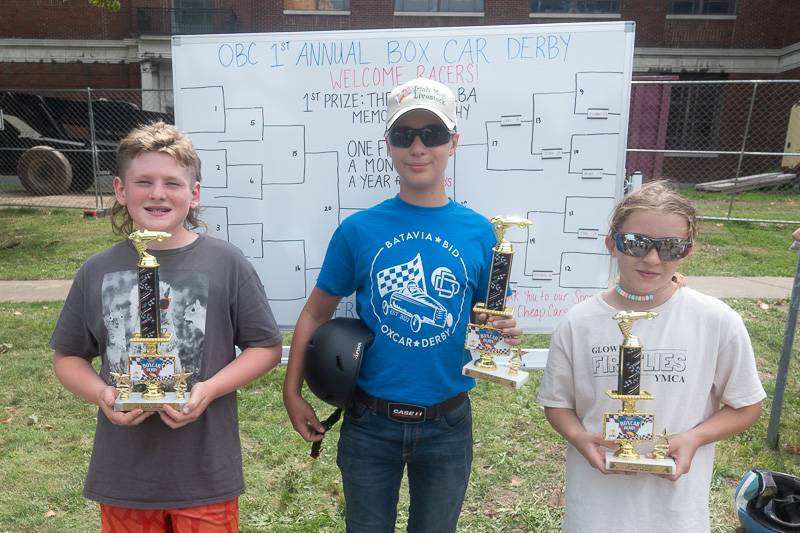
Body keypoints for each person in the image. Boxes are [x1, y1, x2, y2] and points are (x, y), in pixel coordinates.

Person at [283, 77, 522, 533]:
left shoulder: (481, 233)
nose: (417, 147)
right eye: (403, 135)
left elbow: (489, 318)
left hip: (448, 423)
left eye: (431, 135)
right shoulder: (359, 230)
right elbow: (316, 311)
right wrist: (291, 392)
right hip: (371, 422)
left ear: (453, 143)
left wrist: (504, 331)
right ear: (389, 146)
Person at [51, 121, 283, 531]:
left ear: (194, 195)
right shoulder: (96, 271)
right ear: (121, 191)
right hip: (125, 475)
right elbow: (68, 355)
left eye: (172, 183)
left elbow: (264, 347)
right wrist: (104, 393)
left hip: (205, 473)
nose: (158, 193)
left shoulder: (226, 264)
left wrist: (208, 390)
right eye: (144, 182)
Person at [538, 181, 766, 532]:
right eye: (636, 243)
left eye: (670, 247)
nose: (652, 258)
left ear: (687, 251)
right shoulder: (578, 322)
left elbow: (747, 405)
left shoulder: (717, 320)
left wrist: (693, 438)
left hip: (675, 512)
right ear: (612, 243)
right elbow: (556, 404)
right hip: (595, 508)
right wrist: (581, 438)